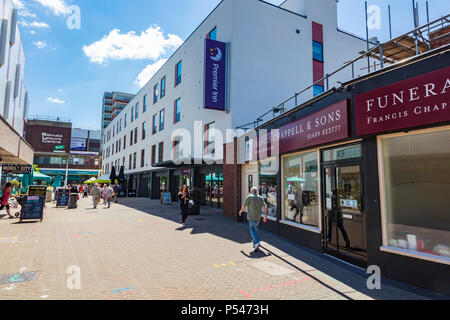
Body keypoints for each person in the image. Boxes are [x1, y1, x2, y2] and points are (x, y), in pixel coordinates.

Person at [239, 187, 268, 252]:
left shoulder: (249, 197)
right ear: (256, 192)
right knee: (255, 230)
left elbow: (244, 205)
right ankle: (255, 243)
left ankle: (257, 242)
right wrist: (265, 216)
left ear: (251, 191)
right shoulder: (260, 198)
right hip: (258, 217)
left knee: (252, 230)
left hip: (251, 217)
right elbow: (265, 207)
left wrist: (241, 211)